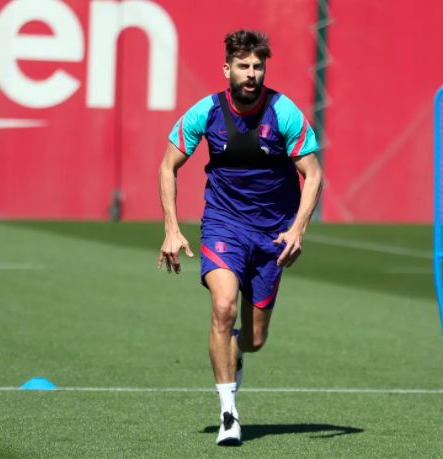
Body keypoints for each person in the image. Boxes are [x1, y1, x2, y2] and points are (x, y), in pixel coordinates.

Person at [157, 29, 323, 446]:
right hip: (224, 226)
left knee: (253, 339)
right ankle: (228, 414)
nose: (252, 74)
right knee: (223, 305)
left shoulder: (283, 111)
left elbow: (314, 173)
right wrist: (172, 228)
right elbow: (167, 166)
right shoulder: (206, 112)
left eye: (258, 66)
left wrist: (297, 229)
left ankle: (236, 355)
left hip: (273, 236)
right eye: (244, 66)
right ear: (227, 68)